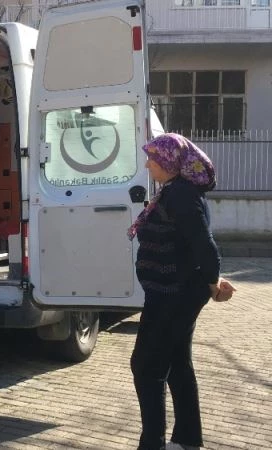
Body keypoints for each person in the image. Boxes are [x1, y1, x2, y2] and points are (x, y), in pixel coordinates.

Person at [128, 133, 237, 450]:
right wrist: (211, 281)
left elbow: (204, 244)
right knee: (177, 363)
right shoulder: (176, 191)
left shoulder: (180, 195)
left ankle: (152, 443)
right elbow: (192, 243)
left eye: (152, 159)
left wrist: (214, 282)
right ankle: (188, 438)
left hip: (173, 293)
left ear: (169, 162)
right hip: (175, 290)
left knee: (146, 366)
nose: (147, 165)